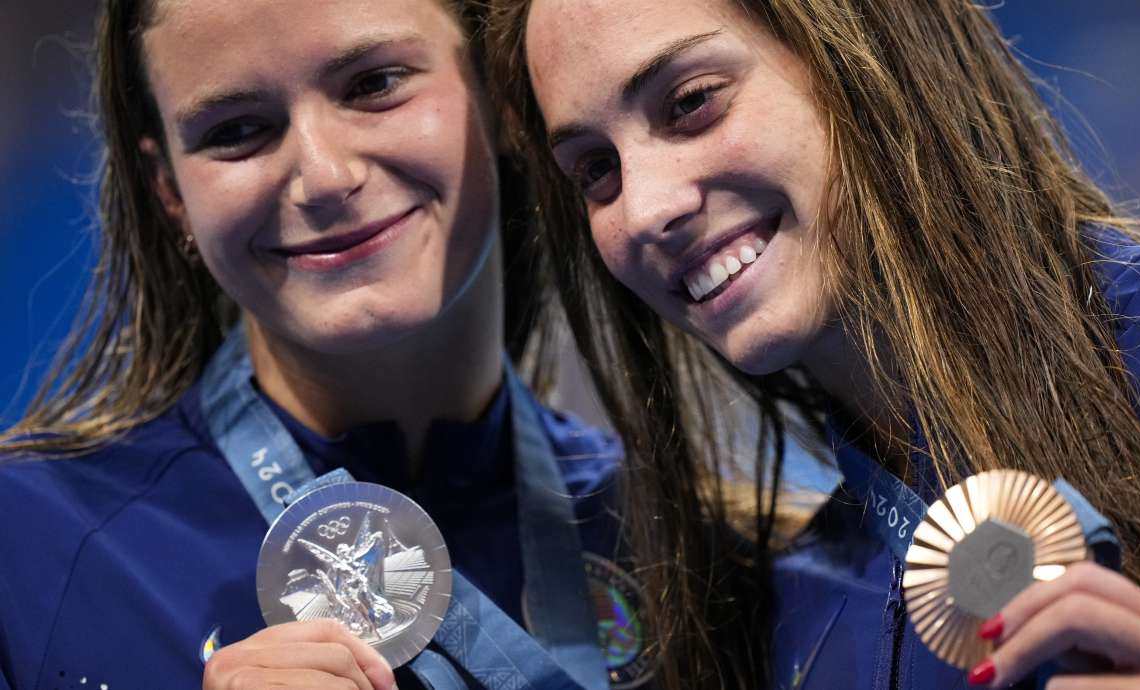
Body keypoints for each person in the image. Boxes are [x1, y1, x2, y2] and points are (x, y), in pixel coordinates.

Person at [486, 0, 1140, 688]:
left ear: (861, 49)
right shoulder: (788, 613)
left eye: (690, 103)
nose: (646, 208)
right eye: (596, 169)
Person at [0, 1, 688, 689]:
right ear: (169, 191)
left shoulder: (694, 541)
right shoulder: (27, 549)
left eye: (374, 83)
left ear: (502, 95)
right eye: (237, 129)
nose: (325, 177)